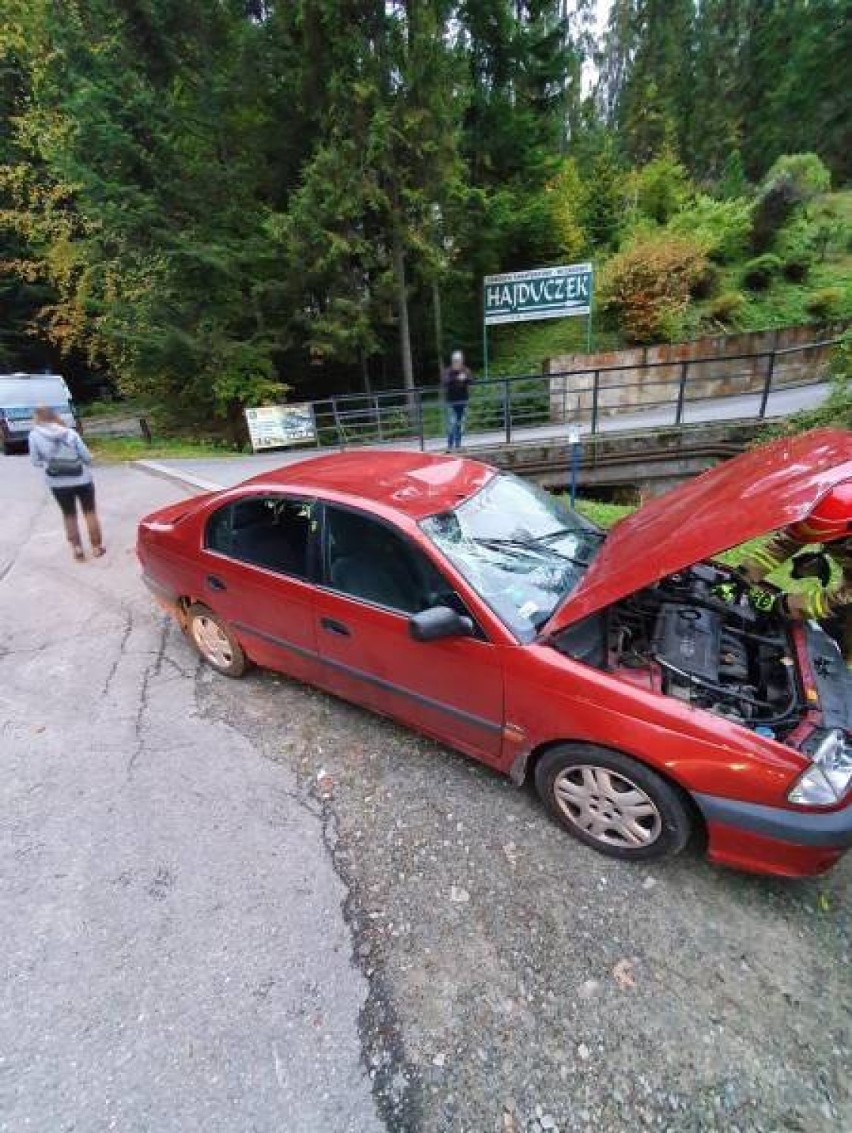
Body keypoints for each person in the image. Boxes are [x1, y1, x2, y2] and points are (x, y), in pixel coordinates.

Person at [737, 481, 851, 665]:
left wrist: (784, 604)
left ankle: (841, 668)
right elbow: (785, 542)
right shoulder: (834, 509)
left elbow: (840, 601)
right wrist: (742, 576)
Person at [29, 405, 105, 562]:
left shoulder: (34, 436)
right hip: (82, 478)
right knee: (89, 512)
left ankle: (77, 549)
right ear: (54, 416)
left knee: (69, 515)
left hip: (57, 483)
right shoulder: (69, 432)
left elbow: (35, 461)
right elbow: (86, 457)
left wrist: (49, 461)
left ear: (37, 418)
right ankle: (97, 547)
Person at [442, 350, 473, 452]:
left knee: (459, 424)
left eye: (459, 360)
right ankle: (450, 446)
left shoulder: (465, 370)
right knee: (451, 424)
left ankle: (458, 445)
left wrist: (465, 379)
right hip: (451, 402)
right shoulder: (448, 371)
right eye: (455, 361)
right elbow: (446, 382)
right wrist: (457, 378)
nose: (457, 362)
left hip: (462, 402)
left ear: (462, 361)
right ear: (452, 361)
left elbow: (471, 380)